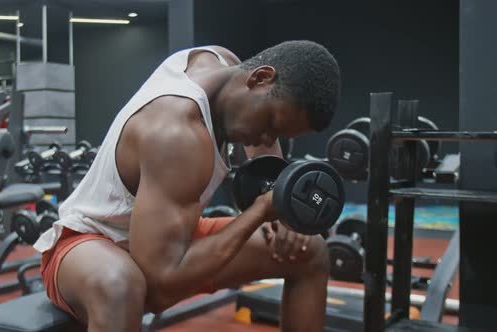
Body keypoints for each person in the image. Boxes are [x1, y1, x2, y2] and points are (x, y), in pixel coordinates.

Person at [34, 40, 341, 331]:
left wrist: (284, 204)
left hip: (163, 236)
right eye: (271, 125)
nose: (265, 139)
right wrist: (261, 211)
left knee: (307, 250)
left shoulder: (221, 63)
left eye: (277, 133)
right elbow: (160, 286)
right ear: (260, 78)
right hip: (87, 241)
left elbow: (265, 153)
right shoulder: (177, 133)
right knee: (120, 285)